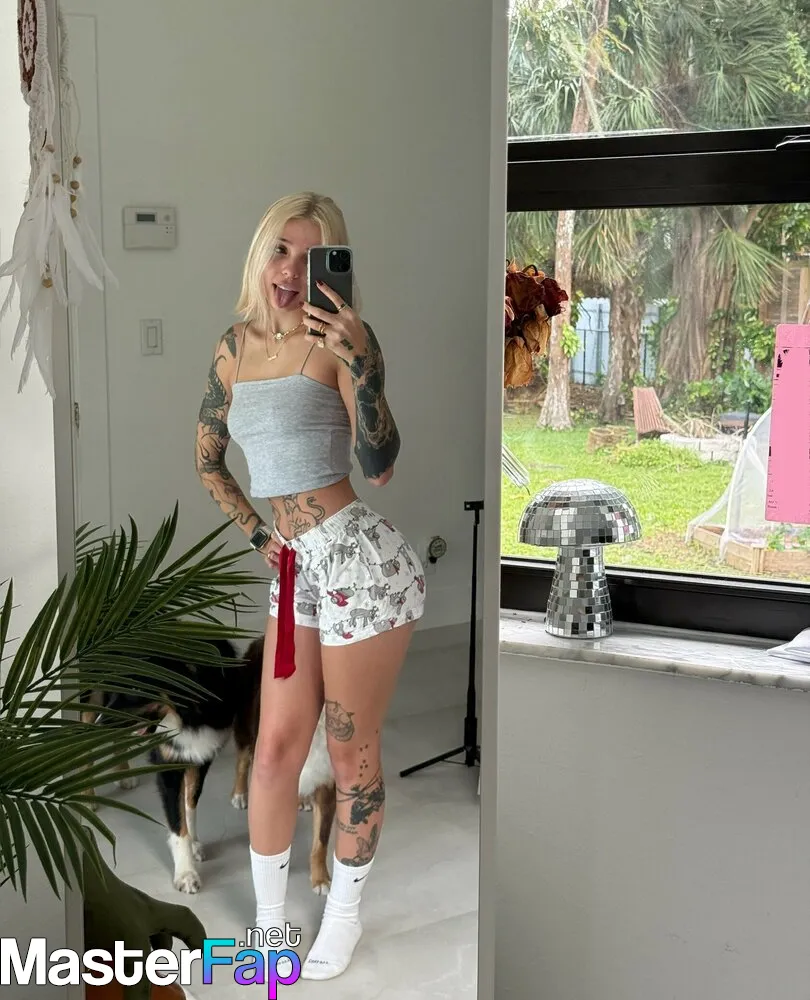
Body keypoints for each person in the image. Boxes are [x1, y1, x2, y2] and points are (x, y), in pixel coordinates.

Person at [194, 192, 425, 980]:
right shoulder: (233, 348)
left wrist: (363, 364)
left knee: (350, 752)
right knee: (272, 752)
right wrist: (259, 535)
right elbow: (207, 460)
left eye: (311, 253)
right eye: (280, 250)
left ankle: (345, 917)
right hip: (294, 567)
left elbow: (381, 464)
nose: (292, 270)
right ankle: (269, 930)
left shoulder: (343, 341)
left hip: (361, 565)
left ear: (333, 264)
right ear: (260, 255)